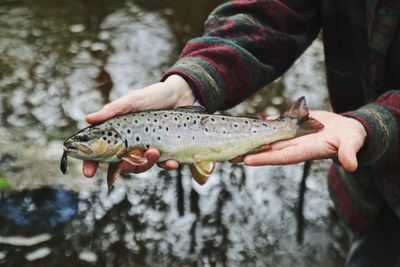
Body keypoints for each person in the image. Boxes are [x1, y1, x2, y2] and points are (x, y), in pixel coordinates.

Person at [82, 1, 400, 265]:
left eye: (86, 140)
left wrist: (378, 124)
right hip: (368, 192)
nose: (80, 144)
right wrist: (192, 81)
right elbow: (271, 14)